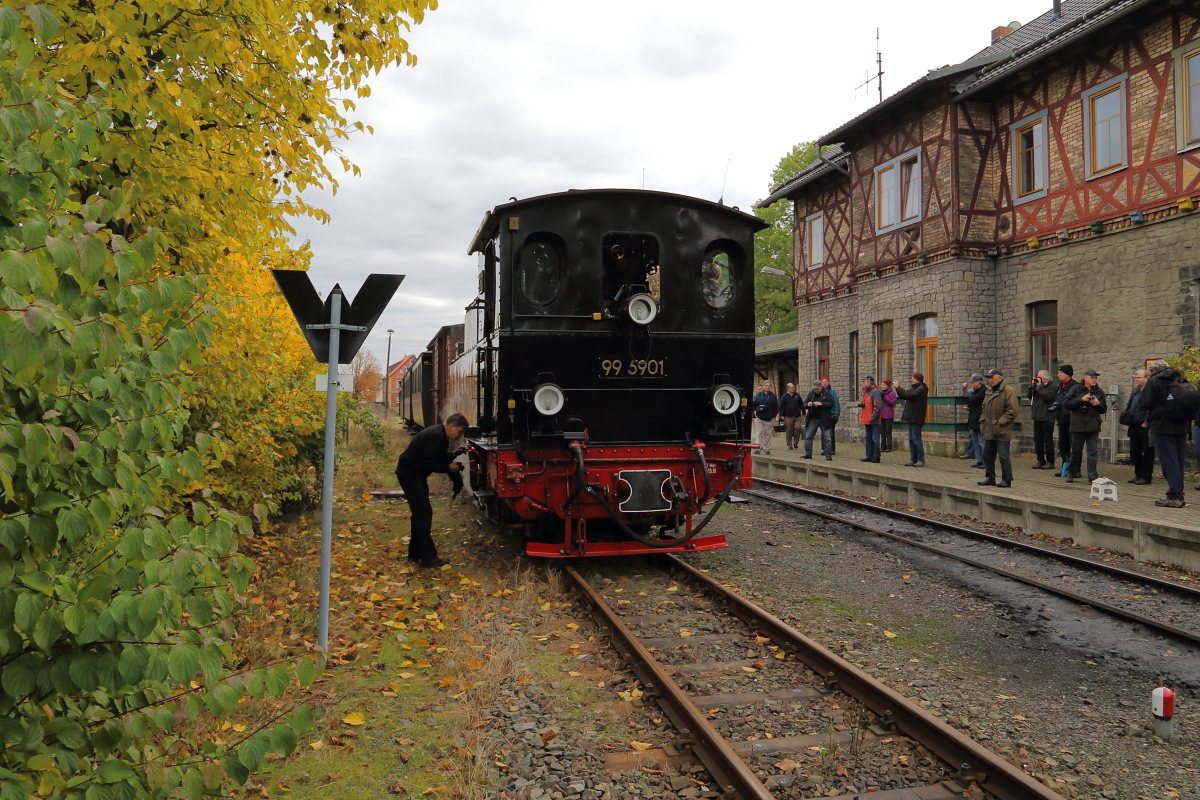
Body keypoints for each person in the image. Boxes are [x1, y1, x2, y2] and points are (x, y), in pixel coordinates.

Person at [395, 413, 469, 567]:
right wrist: (449, 467)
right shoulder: (435, 436)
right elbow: (428, 464)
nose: (459, 435)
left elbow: (436, 459)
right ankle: (428, 558)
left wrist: (453, 454)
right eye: (459, 431)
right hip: (410, 474)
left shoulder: (439, 435)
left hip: (414, 474)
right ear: (451, 426)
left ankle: (414, 555)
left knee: (419, 515)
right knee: (423, 515)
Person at [1138, 359, 1190, 507]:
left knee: (1169, 461)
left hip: (1163, 426)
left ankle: (1174, 495)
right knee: (1178, 461)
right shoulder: (1180, 378)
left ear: (1154, 371)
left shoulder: (1156, 380)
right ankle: (1179, 493)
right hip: (1182, 426)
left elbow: (1144, 403)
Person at [1063, 369, 1107, 484]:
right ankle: (1071, 473)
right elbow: (1067, 404)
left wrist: (1097, 404)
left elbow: (1103, 409)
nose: (1094, 380)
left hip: (1093, 425)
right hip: (1078, 425)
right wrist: (1081, 399)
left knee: (1092, 452)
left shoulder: (1099, 392)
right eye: (1092, 377)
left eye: (1095, 378)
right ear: (1085, 377)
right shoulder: (1075, 389)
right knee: (1076, 451)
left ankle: (1092, 476)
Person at [977, 368, 1018, 487]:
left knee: (1003, 456)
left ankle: (1006, 479)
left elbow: (1013, 410)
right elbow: (984, 407)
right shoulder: (989, 391)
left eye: (992, 377)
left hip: (1002, 429)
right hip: (989, 428)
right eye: (989, 378)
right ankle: (990, 477)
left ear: (999, 378)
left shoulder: (1009, 391)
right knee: (987, 455)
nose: (990, 380)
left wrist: (1000, 422)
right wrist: (983, 420)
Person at [1122, 368, 1153, 485]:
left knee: (1147, 452)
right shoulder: (1135, 391)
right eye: (1135, 377)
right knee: (1134, 452)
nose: (1136, 379)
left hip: (1144, 426)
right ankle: (1138, 474)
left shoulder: (1150, 392)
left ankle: (1146, 476)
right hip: (1133, 425)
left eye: (1139, 377)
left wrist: (1147, 422)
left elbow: (1151, 409)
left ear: (1147, 379)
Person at [895, 372, 929, 466]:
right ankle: (913, 458)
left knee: (916, 439)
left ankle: (920, 459)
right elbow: (905, 394)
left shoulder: (921, 389)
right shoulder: (915, 389)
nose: (911, 379)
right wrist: (899, 389)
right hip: (912, 417)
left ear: (918, 379)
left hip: (916, 417)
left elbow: (908, 395)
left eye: (913, 378)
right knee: (911, 439)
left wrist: (898, 387)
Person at [1028, 369, 1058, 471]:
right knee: (1037, 440)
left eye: (1039, 377)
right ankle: (1040, 460)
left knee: (1048, 440)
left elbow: (1048, 397)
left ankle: (1050, 461)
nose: (1038, 379)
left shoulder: (1052, 387)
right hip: (1037, 416)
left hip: (1047, 417)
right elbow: (1029, 397)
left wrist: (1039, 387)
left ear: (1045, 378)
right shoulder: (1037, 388)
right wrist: (1032, 387)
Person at [1052, 365, 1077, 474]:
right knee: (1063, 446)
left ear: (1067, 374)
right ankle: (1065, 468)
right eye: (1058, 373)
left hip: (1072, 421)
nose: (1058, 375)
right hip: (1061, 420)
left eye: (1060, 373)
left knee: (1074, 446)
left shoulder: (1075, 387)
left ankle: (1075, 469)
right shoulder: (1059, 388)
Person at [802, 380, 833, 460]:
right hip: (813, 418)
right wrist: (807, 404)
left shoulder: (827, 393)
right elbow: (804, 404)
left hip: (824, 419)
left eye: (817, 389)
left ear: (820, 387)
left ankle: (828, 454)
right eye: (814, 389)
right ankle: (808, 453)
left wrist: (821, 404)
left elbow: (831, 403)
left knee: (827, 437)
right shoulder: (811, 393)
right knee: (808, 436)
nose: (815, 390)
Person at [960, 374, 985, 467]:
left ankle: (985, 461)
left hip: (980, 419)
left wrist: (971, 397)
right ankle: (979, 460)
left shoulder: (983, 391)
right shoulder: (975, 391)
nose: (971, 384)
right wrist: (969, 407)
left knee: (981, 441)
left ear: (978, 382)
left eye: (973, 382)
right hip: (973, 418)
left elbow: (975, 399)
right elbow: (972, 401)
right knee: (975, 441)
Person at [858, 376, 882, 463]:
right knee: (868, 438)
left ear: (869, 382)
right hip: (866, 419)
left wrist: (873, 417)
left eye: (864, 381)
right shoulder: (866, 392)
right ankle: (869, 455)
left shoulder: (875, 391)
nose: (862, 383)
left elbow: (878, 406)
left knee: (875, 439)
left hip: (873, 420)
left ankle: (876, 456)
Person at [752, 381, 779, 455]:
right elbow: (753, 404)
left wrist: (774, 415)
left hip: (768, 418)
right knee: (759, 432)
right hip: (759, 417)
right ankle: (758, 448)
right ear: (763, 386)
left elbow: (776, 406)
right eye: (766, 385)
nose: (768, 387)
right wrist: (754, 411)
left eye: (769, 385)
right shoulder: (758, 395)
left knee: (767, 434)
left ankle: (766, 448)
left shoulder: (773, 396)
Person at [779, 382, 805, 450]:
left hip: (797, 416)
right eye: (791, 387)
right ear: (788, 388)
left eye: (793, 387)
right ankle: (789, 444)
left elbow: (801, 404)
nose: (793, 389)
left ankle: (795, 443)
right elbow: (781, 406)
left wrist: (804, 413)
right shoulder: (784, 396)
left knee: (798, 428)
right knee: (789, 430)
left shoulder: (797, 395)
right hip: (788, 416)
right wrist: (781, 415)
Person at [820, 377, 841, 454]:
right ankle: (824, 448)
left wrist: (836, 414)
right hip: (822, 416)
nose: (825, 383)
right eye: (823, 382)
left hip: (831, 415)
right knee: (823, 433)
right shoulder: (820, 392)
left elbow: (836, 403)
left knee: (830, 433)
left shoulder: (832, 392)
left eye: (826, 382)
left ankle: (832, 449)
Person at [879, 379, 898, 452]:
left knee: (888, 432)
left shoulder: (892, 393)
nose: (882, 386)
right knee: (882, 432)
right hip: (881, 415)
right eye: (881, 385)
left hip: (889, 415)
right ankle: (882, 446)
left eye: (883, 385)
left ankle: (889, 446)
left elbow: (892, 402)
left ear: (887, 386)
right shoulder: (880, 392)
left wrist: (884, 397)